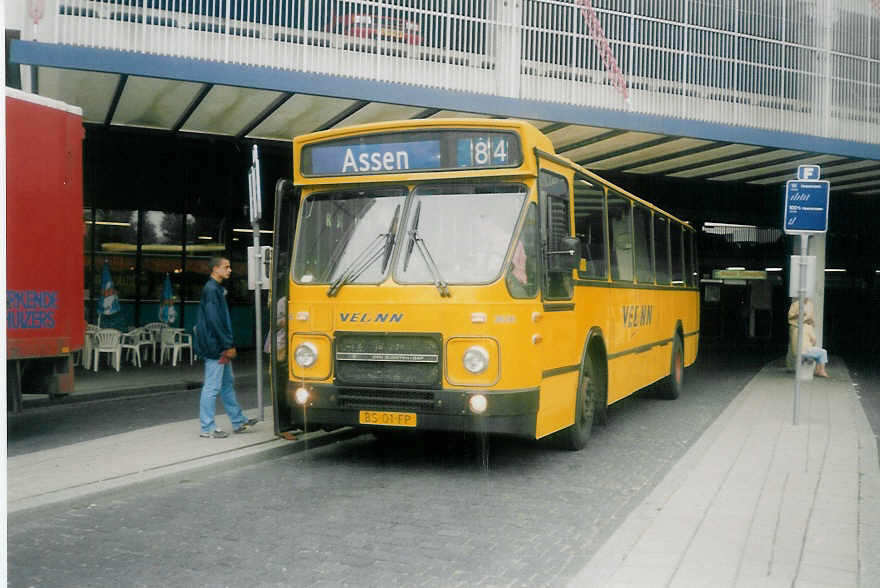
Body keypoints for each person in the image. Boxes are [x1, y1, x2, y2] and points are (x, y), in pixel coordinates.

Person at [194, 256, 258, 438]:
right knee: (212, 387)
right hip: (217, 348)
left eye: (230, 267)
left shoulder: (215, 289)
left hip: (218, 346)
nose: (230, 270)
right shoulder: (212, 290)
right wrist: (227, 345)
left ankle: (238, 421)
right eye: (226, 267)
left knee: (226, 385)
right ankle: (207, 428)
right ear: (215, 269)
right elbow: (216, 320)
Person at [787, 297, 829, 378]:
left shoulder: (795, 329)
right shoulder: (808, 327)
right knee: (823, 352)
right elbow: (814, 341)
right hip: (805, 352)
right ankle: (821, 370)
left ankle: (817, 369)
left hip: (796, 352)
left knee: (815, 352)